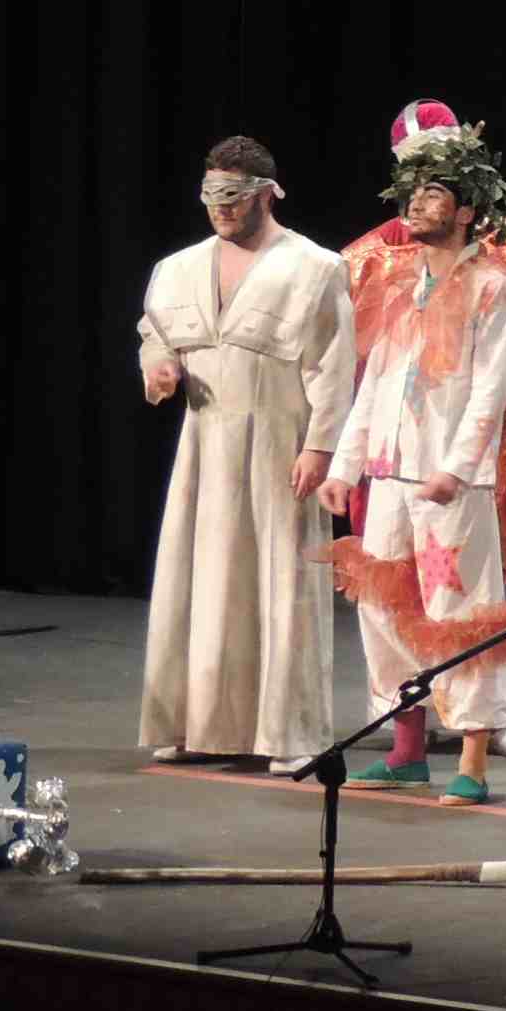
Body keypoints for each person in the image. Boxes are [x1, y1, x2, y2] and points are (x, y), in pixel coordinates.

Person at [317, 123, 506, 805]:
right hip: (390, 474)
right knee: (384, 612)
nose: (415, 203)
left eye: (434, 193)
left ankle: (473, 760)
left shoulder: (495, 290)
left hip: (450, 481)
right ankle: (405, 751)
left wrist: (458, 467)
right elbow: (376, 384)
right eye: (411, 192)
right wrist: (345, 466)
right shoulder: (399, 285)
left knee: (460, 611)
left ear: (467, 210)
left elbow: (491, 393)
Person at [136, 138, 356, 768]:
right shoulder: (179, 267)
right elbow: (154, 332)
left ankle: (291, 734)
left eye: (233, 196)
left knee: (282, 583)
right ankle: (195, 726)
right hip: (205, 445)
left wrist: (321, 446)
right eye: (211, 196)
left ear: (267, 194)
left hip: (279, 442)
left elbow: (334, 364)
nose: (221, 208)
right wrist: (159, 366)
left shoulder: (314, 267)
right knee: (199, 582)